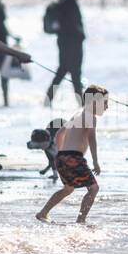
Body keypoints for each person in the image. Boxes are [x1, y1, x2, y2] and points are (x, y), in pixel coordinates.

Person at [35, 85, 107, 224]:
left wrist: (61, 153)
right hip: (74, 158)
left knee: (68, 189)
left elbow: (59, 133)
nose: (107, 106)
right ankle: (81, 220)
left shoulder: (77, 115)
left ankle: (43, 212)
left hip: (61, 157)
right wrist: (96, 162)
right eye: (105, 103)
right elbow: (92, 138)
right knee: (93, 188)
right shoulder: (91, 117)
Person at [45, 0, 86, 106]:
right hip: (70, 45)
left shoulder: (70, 2)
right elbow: (69, 25)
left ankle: (48, 101)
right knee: (71, 73)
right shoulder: (68, 3)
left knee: (66, 73)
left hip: (69, 44)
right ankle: (81, 105)